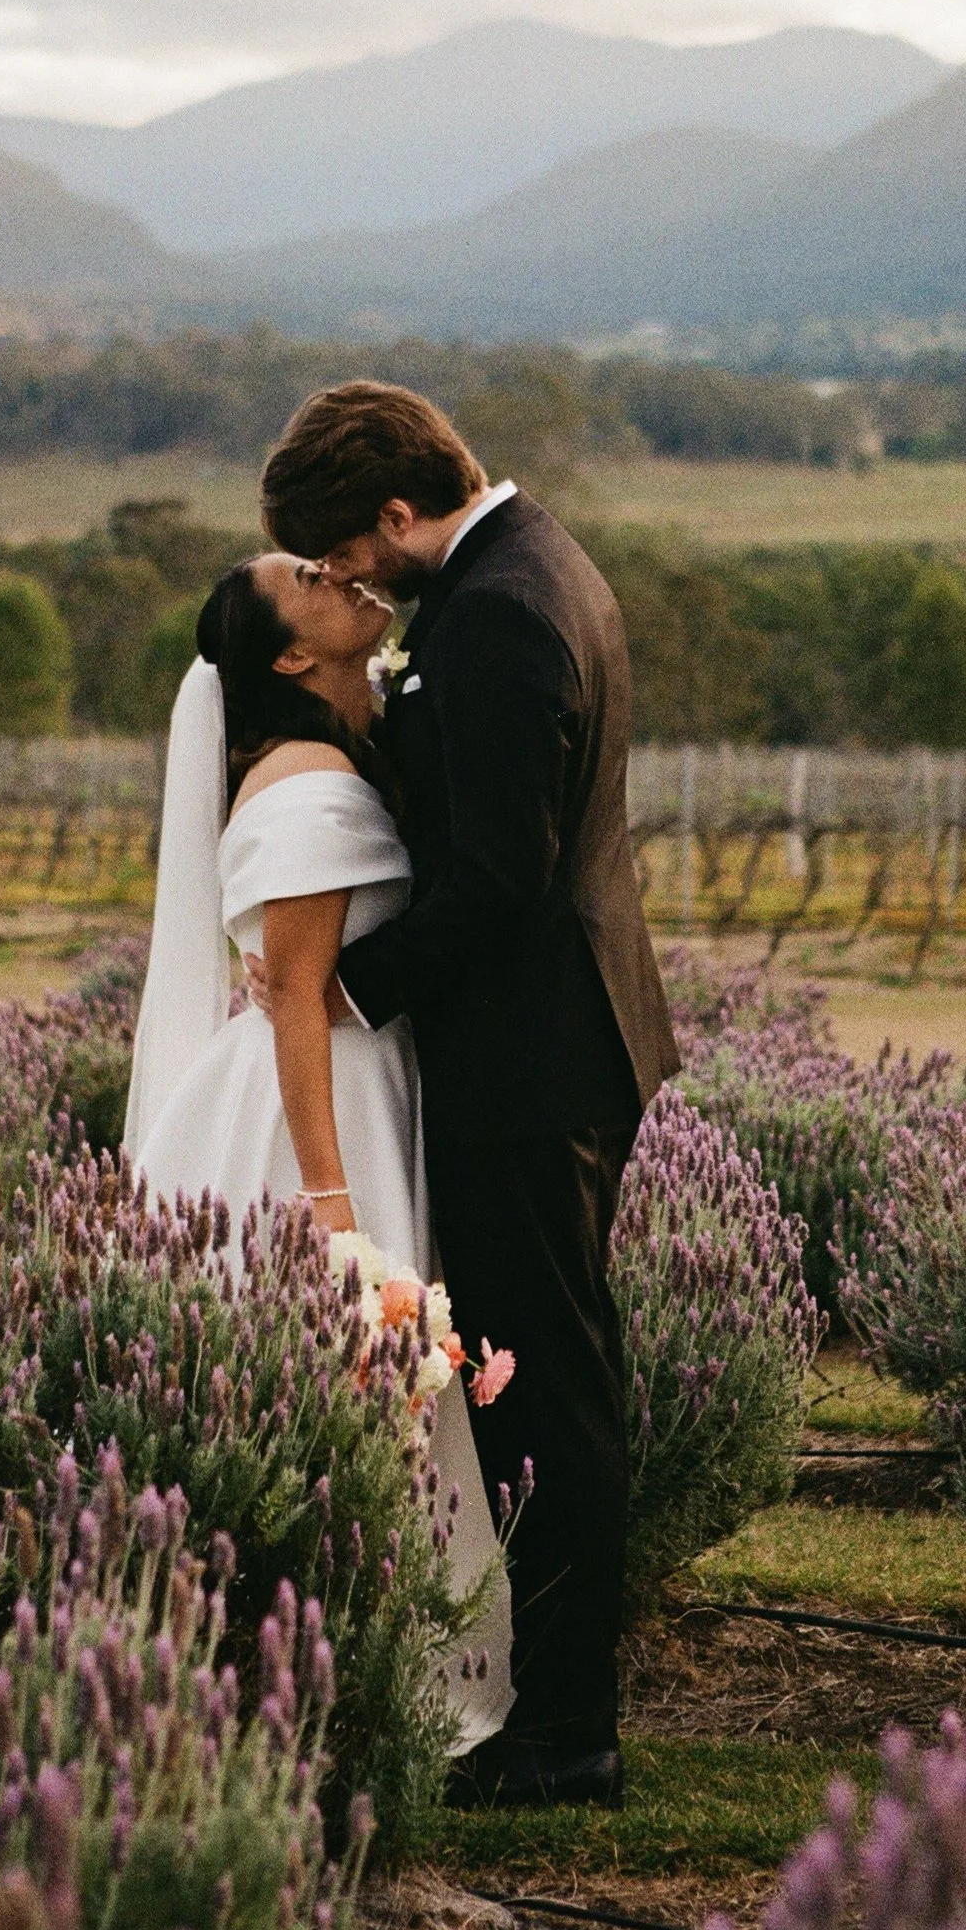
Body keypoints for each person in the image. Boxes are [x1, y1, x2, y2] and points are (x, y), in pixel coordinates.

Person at [257, 380, 678, 1810]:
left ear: (391, 510)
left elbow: (500, 874)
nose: (344, 586)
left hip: (533, 1057)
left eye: (340, 555)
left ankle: (567, 1730)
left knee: (547, 1395)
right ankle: (555, 1705)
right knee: (548, 1378)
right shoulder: (524, 564)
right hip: (550, 1046)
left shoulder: (497, 606)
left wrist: (338, 993)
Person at [124, 546, 512, 1755]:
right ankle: (306, 1666)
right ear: (289, 652)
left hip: (359, 1086)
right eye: (304, 576)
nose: (337, 571)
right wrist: (333, 1211)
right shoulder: (298, 781)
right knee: (330, 1393)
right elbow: (295, 999)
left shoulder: (341, 753)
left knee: (356, 1410)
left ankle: (342, 1654)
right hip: (313, 1118)